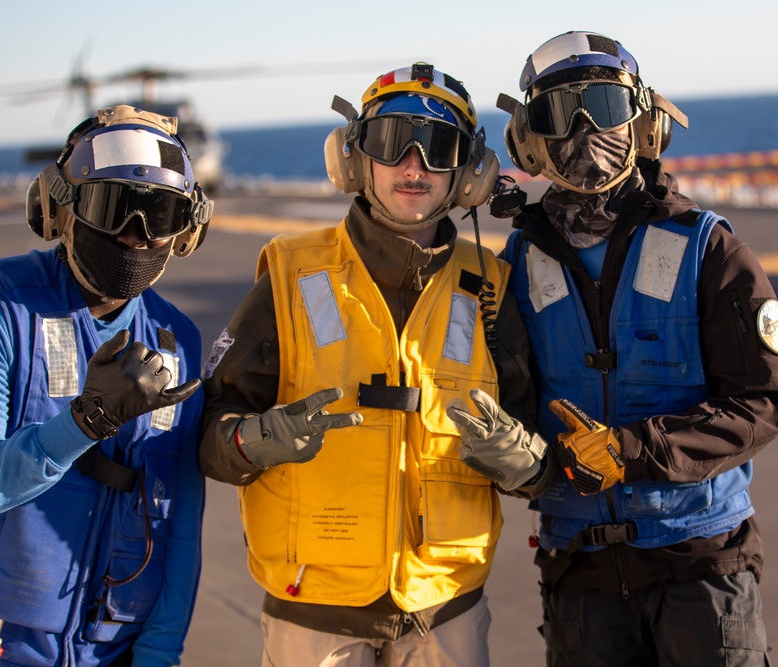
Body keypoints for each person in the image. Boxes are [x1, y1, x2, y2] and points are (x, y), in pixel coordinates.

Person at [199, 63, 554, 665]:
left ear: (469, 174)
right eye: (391, 143)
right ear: (355, 158)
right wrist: (253, 440)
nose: (413, 166)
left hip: (445, 608)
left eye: (437, 148)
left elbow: (533, 444)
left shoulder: (490, 284)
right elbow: (210, 435)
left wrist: (527, 464)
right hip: (313, 608)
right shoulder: (290, 272)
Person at [494, 31, 778, 665]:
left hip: (700, 562)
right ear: (527, 141)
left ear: (645, 123)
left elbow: (766, 396)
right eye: (560, 114)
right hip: (578, 571)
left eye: (604, 106)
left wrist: (632, 452)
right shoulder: (517, 263)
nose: (584, 132)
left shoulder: (707, 248)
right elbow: (508, 400)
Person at [0, 105, 214, 666]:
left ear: (187, 231)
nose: (135, 236)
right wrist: (83, 424)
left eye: (159, 214)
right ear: (58, 210)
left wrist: (160, 652)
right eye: (114, 207)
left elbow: (179, 521)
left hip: (110, 648)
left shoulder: (177, 343)